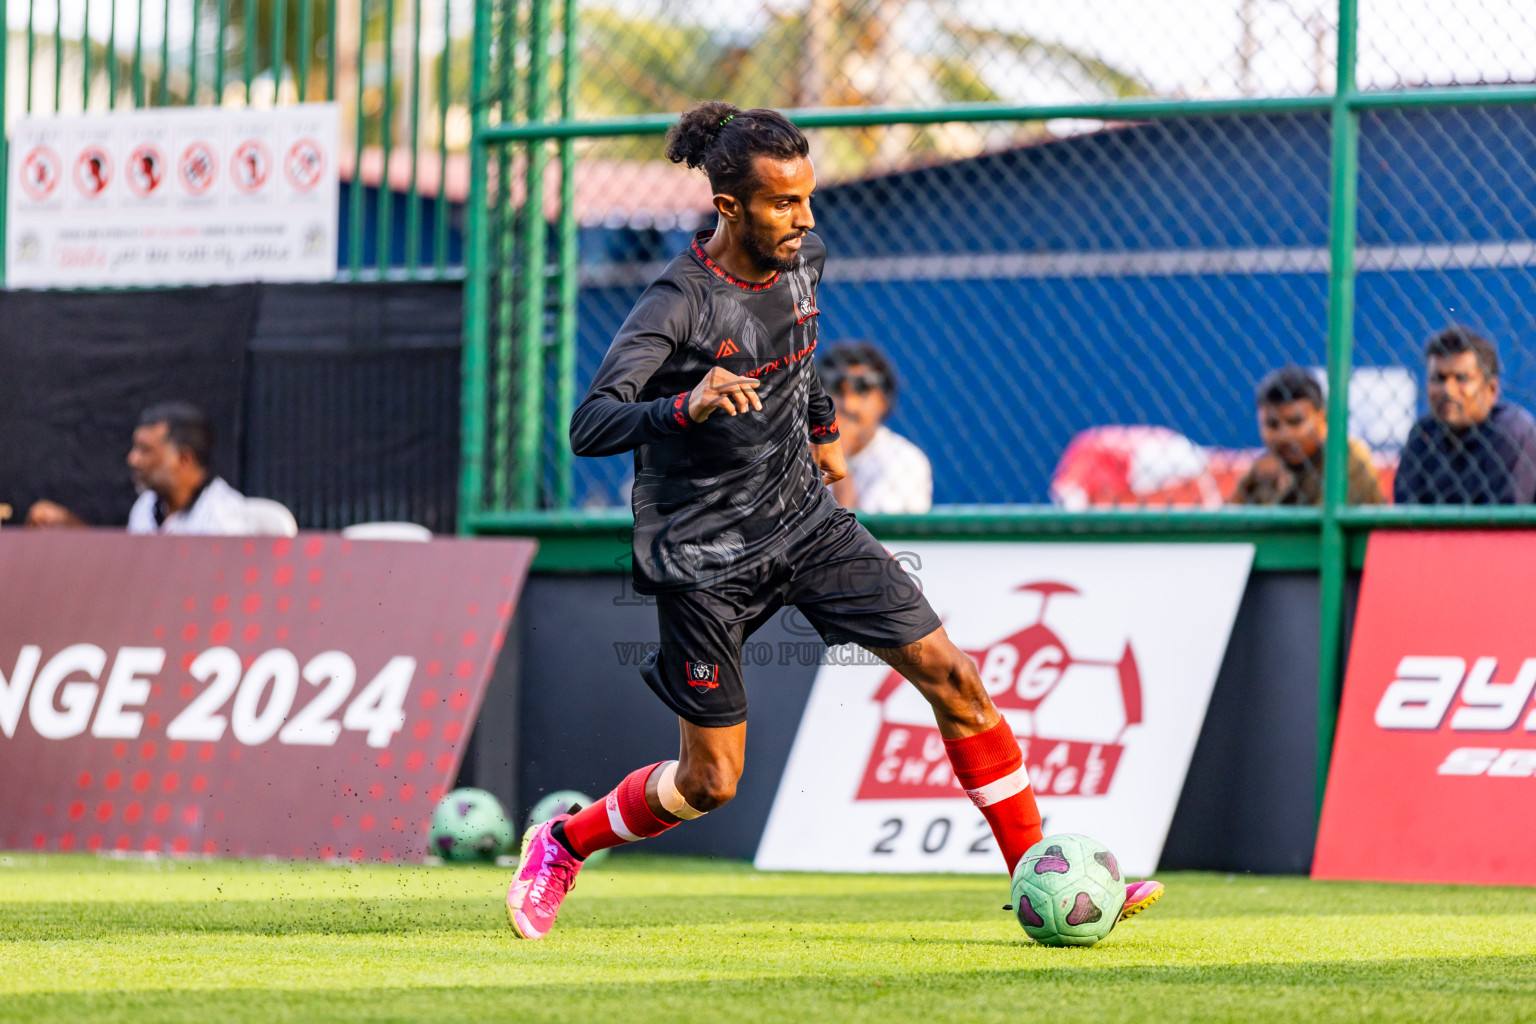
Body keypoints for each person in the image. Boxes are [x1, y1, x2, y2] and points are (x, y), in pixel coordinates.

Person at [503, 101, 1163, 940]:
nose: (806, 217)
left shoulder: (804, 257)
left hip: (807, 524)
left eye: (808, 198)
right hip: (703, 554)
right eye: (784, 202)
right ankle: (562, 843)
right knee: (710, 783)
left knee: (953, 677)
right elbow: (590, 423)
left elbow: (798, 351)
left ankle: (1040, 872)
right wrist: (685, 403)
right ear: (730, 207)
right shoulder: (675, 304)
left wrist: (825, 446)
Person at [26, 402, 253, 534]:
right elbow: (124, 567)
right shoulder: (146, 506)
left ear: (184, 459)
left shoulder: (227, 520)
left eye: (145, 450)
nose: (132, 459)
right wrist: (67, 525)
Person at [1394, 327, 1536, 504]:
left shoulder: (1512, 431)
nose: (1448, 390)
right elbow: (1404, 519)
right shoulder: (1423, 434)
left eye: (1461, 378)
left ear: (1491, 389)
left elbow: (1506, 525)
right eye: (1439, 378)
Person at [1229, 366, 1384, 506]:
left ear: (1321, 418)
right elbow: (1226, 524)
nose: (1284, 435)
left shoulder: (1346, 459)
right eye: (1272, 424)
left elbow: (1318, 534)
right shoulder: (1264, 468)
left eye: (1295, 422)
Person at [818, 341, 933, 513]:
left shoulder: (905, 461)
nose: (850, 405)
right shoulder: (798, 452)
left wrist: (837, 461)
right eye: (838, 389)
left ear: (883, 400)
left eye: (862, 389)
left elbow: (867, 537)